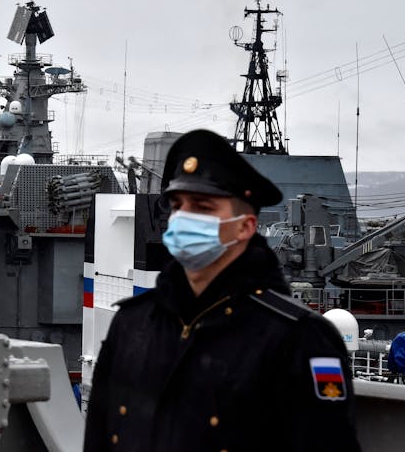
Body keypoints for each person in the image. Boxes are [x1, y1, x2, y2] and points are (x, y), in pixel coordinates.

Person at [84, 129, 360, 451]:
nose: (183, 217)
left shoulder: (300, 340)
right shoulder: (132, 323)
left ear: (245, 226)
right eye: (177, 205)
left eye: (202, 207)